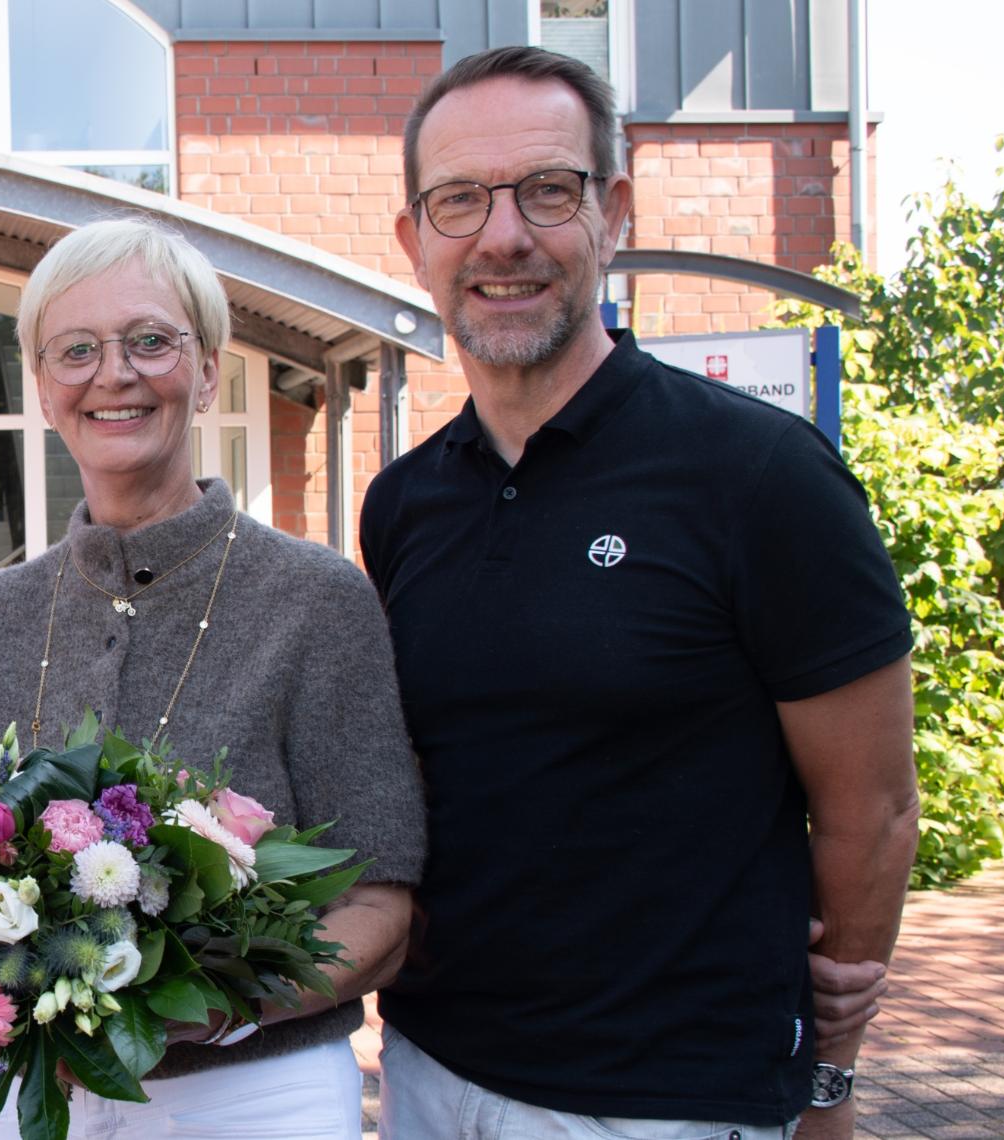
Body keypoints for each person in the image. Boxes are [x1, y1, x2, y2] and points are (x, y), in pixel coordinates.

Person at [365, 46, 918, 1140]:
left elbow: (875, 810)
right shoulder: (403, 504)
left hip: (671, 1100)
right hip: (432, 1073)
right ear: (415, 241)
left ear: (613, 209)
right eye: (461, 201)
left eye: (548, 190)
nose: (504, 235)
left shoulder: (761, 478)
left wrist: (828, 1080)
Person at [0, 217, 427, 1140]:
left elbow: (381, 905)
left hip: (257, 1090)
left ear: (207, 369)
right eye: (75, 350)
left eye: (150, 341)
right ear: (42, 385)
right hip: (40, 1094)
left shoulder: (315, 601)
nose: (113, 374)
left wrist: (217, 1010)